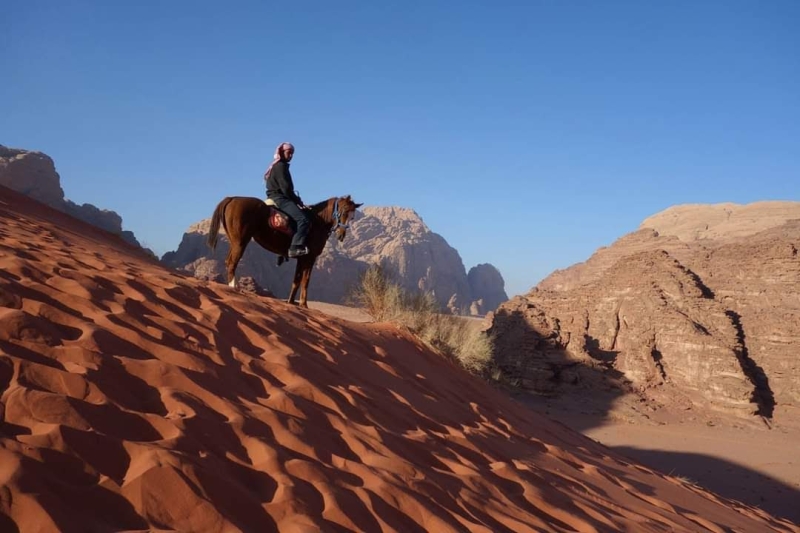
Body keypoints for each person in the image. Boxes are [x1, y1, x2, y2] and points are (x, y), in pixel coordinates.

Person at [264, 142, 310, 258]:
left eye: (292, 154)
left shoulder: (276, 166)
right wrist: (297, 201)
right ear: (281, 152)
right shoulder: (281, 166)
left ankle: (283, 250)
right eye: (289, 153)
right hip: (280, 198)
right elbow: (286, 188)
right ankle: (295, 248)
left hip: (273, 197)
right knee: (303, 219)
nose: (291, 156)